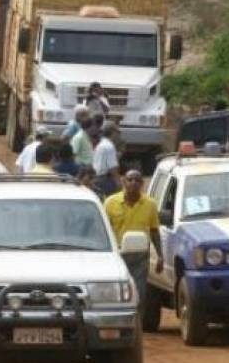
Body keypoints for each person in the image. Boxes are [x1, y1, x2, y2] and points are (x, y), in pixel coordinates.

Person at [104, 170, 163, 317]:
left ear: (142, 184)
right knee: (117, 292)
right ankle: (119, 321)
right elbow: (103, 229)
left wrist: (160, 256)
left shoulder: (150, 204)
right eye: (130, 179)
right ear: (123, 181)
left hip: (140, 256)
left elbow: (154, 231)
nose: (133, 183)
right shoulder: (110, 203)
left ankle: (137, 323)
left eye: (137, 180)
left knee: (139, 293)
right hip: (117, 256)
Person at [93, 122, 122, 196]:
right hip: (106, 180)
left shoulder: (100, 144)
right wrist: (118, 182)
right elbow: (112, 167)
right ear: (112, 132)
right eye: (117, 132)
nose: (118, 135)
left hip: (97, 178)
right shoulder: (109, 146)